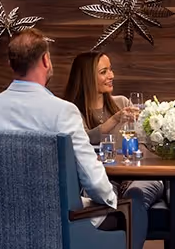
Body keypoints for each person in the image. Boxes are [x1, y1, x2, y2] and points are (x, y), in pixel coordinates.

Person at [0, 30, 148, 249]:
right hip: (54, 229)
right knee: (124, 215)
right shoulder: (62, 111)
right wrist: (111, 201)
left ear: (11, 64)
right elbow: (90, 174)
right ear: (45, 61)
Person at [63, 51, 165, 225]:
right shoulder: (71, 111)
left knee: (137, 195)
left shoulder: (123, 102)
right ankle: (117, 238)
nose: (111, 76)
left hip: (137, 177)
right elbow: (82, 141)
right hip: (103, 178)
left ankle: (128, 245)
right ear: (87, 77)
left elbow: (143, 143)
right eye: (104, 72)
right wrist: (114, 120)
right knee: (104, 196)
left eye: (110, 70)